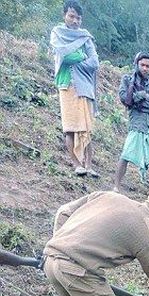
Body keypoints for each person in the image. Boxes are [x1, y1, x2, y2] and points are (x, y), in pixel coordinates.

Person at [50, 0, 99, 177]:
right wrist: (81, 55)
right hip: (66, 84)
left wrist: (76, 57)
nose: (75, 21)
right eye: (71, 16)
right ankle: (76, 164)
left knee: (86, 126)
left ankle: (89, 165)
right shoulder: (57, 33)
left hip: (84, 86)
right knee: (70, 126)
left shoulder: (85, 37)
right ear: (64, 16)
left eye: (78, 18)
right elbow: (63, 55)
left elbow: (94, 62)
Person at [114, 52, 149, 191]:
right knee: (126, 154)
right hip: (136, 122)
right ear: (136, 64)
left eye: (148, 66)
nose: (145, 68)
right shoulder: (127, 80)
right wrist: (142, 95)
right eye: (142, 65)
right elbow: (124, 99)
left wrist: (135, 101)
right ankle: (116, 187)